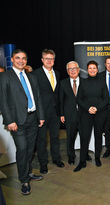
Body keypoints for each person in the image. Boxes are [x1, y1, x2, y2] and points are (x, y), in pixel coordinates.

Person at [0, 49, 44, 195]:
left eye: (24, 58)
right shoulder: (5, 76)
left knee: (30, 149)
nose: (21, 61)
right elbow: (3, 101)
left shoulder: (31, 76)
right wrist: (9, 120)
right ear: (12, 59)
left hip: (33, 118)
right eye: (17, 58)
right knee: (23, 149)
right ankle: (24, 180)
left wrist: (41, 116)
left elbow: (37, 97)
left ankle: (28, 172)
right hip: (17, 121)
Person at [33, 49, 64, 174]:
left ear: (54, 60)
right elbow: (35, 96)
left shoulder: (57, 73)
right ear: (42, 60)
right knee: (41, 140)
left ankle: (56, 159)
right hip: (42, 114)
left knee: (55, 137)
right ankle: (43, 164)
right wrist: (38, 114)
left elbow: (57, 95)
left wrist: (61, 112)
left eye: (51, 59)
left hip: (55, 113)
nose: (49, 61)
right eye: (47, 59)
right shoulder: (35, 74)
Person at [74, 60, 109, 172]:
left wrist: (97, 108)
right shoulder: (83, 82)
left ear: (97, 69)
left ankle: (97, 158)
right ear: (87, 70)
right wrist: (88, 108)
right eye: (90, 68)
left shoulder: (102, 82)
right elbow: (79, 99)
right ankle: (82, 161)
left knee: (98, 136)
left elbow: (106, 99)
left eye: (94, 68)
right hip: (85, 113)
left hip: (100, 113)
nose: (92, 70)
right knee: (85, 137)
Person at [59, 61, 84, 165]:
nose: (73, 71)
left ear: (78, 70)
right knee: (70, 137)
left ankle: (84, 154)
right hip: (69, 116)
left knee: (84, 137)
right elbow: (60, 100)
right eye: (70, 69)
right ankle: (71, 156)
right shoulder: (63, 83)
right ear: (67, 71)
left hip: (84, 115)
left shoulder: (85, 82)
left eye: (74, 68)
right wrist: (61, 114)